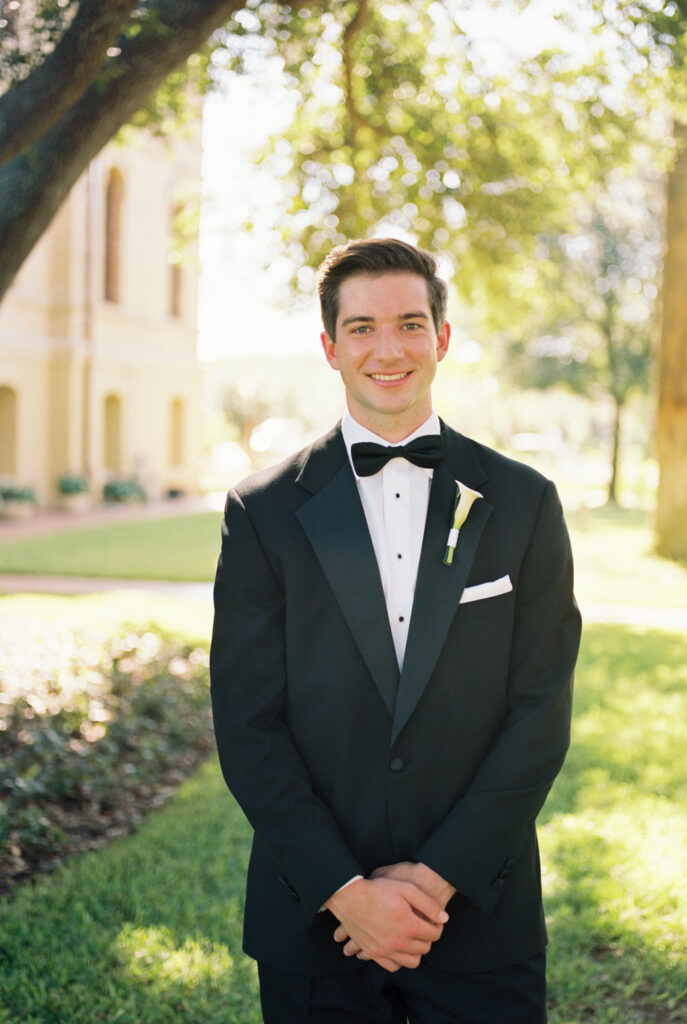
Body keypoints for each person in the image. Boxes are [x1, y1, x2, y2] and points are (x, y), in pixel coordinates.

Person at [210, 237, 582, 1023]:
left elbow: (540, 715)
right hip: (316, 921)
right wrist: (348, 895)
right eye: (362, 328)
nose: (389, 349)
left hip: (481, 909)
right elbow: (248, 725)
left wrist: (434, 880)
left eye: (411, 324)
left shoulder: (524, 502)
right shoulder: (261, 513)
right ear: (330, 348)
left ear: (441, 340)